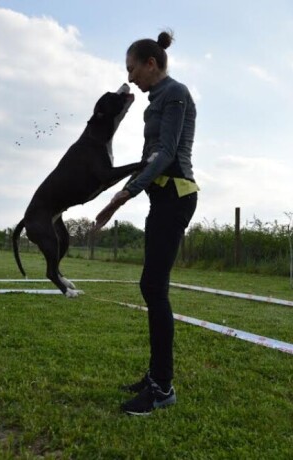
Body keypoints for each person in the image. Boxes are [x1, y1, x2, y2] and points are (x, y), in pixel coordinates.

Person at [93, 30, 198, 416]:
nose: (130, 77)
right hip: (162, 196)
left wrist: (126, 194)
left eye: (132, 68)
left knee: (153, 286)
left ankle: (162, 387)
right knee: (151, 285)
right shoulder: (155, 101)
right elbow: (147, 158)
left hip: (177, 195)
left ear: (150, 64)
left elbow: (167, 153)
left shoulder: (175, 93)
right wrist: (116, 196)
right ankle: (156, 374)